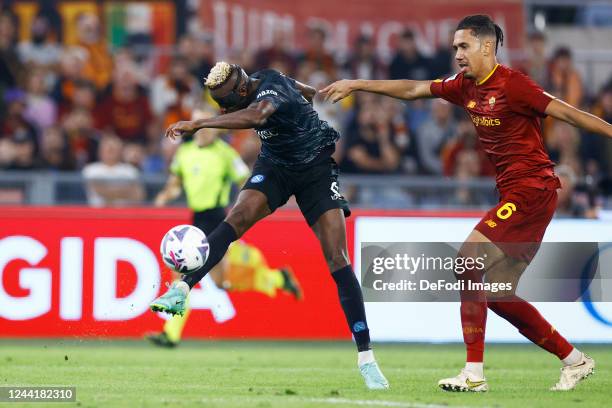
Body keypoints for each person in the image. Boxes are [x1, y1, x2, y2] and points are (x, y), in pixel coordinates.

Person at [322, 14, 612, 392]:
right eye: (455, 47)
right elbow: (413, 90)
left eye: (463, 46)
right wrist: (357, 84)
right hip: (516, 194)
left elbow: (569, 113)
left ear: (486, 47)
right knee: (496, 293)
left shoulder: (515, 85)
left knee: (466, 261)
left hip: (533, 189)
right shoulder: (464, 87)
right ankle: (574, 360)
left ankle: (474, 372)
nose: (457, 54)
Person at [149, 62, 389, 389]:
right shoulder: (264, 79)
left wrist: (200, 123)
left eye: (226, 103)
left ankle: (366, 358)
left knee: (337, 258)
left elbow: (258, 116)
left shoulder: (265, 92)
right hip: (275, 164)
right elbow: (304, 90)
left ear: (241, 91)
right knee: (236, 218)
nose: (225, 108)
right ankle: (182, 288)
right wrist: (305, 93)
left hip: (315, 170)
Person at [146, 108, 303, 347]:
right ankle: (171, 334)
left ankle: (276, 279)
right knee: (182, 275)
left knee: (218, 282)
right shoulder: (184, 153)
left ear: (217, 128)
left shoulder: (226, 154)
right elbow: (175, 183)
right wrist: (165, 195)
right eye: (200, 123)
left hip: (218, 220)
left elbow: (246, 182)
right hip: (196, 222)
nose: (205, 129)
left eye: (210, 125)